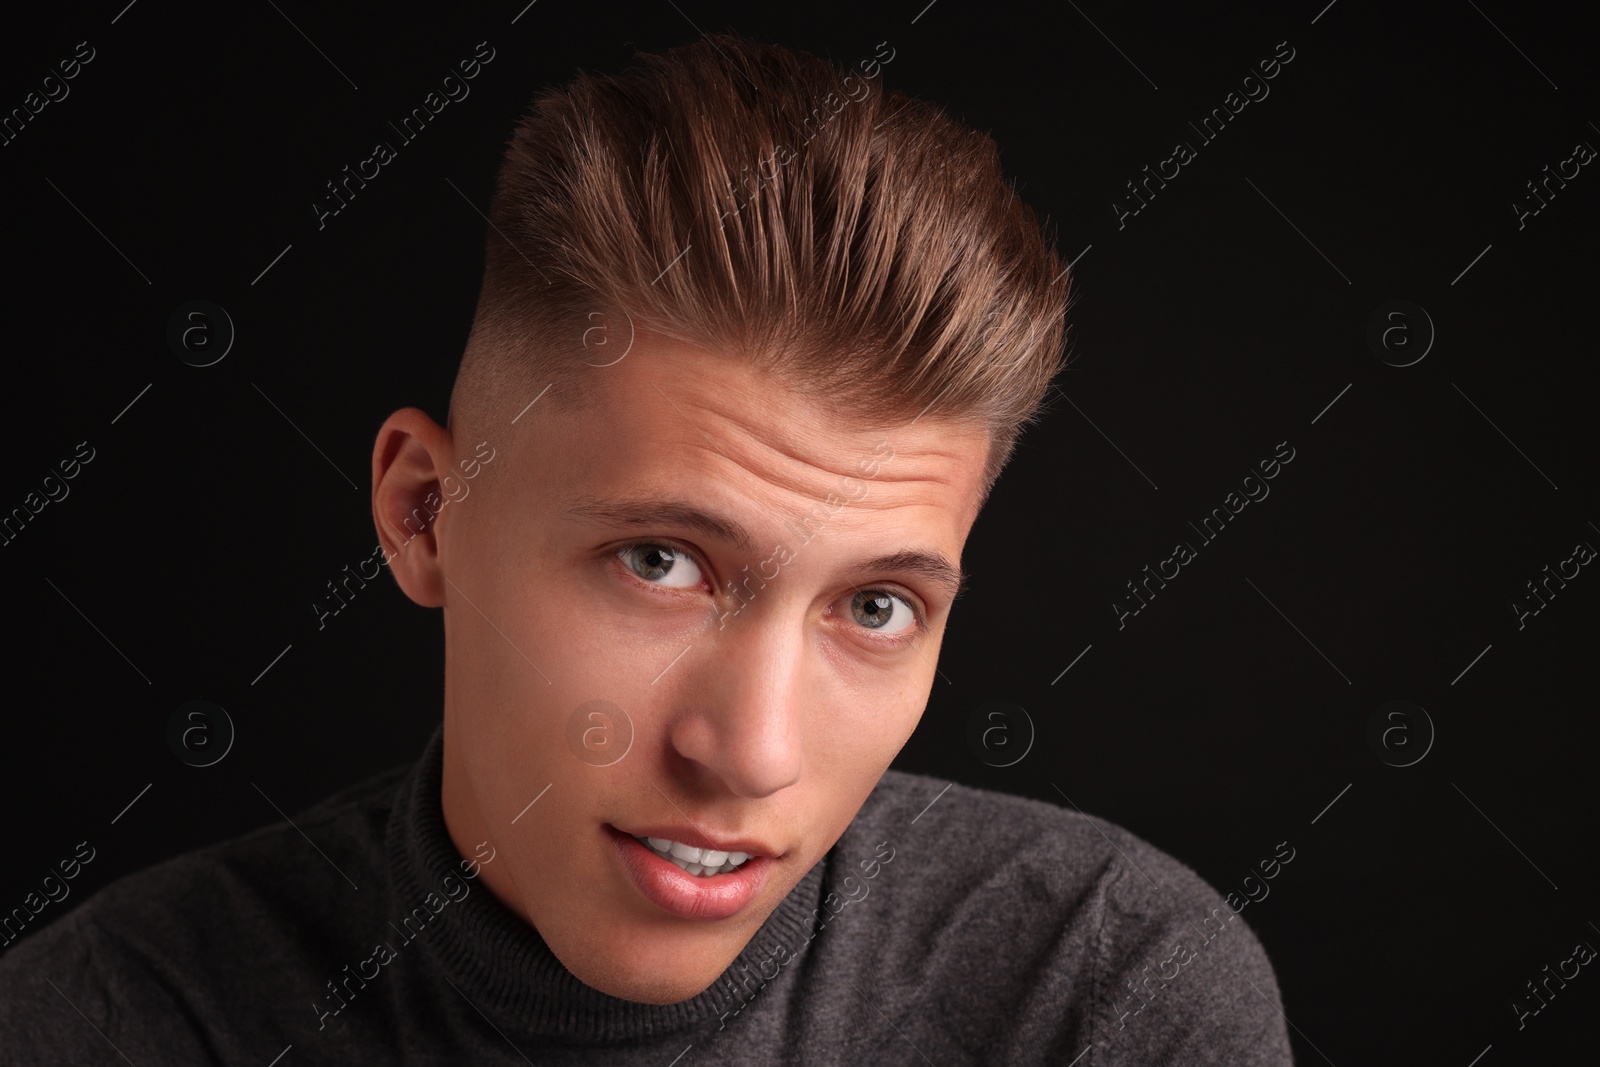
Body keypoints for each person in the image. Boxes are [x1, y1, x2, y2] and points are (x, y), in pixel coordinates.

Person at [0, 33, 1293, 1065]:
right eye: (662, 563)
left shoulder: (1100, 992)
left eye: (878, 606)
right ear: (423, 514)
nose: (752, 753)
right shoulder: (106, 1024)